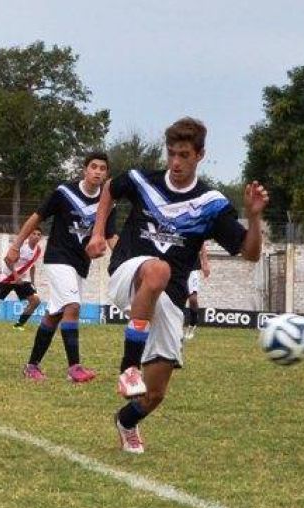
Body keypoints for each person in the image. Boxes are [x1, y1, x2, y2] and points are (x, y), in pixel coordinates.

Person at [86, 117, 269, 454]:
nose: (175, 162)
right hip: (131, 272)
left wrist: (254, 218)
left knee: (154, 393)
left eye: (184, 155)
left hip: (169, 300)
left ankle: (126, 422)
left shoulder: (211, 204)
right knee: (158, 270)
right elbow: (110, 188)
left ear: (200, 155)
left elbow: (251, 253)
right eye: (171, 153)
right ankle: (128, 367)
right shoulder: (144, 181)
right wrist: (98, 232)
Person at [6, 151, 117, 384]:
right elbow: (37, 217)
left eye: (102, 168)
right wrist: (16, 245)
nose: (97, 171)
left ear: (107, 174)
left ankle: (31, 366)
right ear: (85, 170)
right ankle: (74, 367)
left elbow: (111, 236)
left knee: (54, 315)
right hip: (57, 259)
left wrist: (124, 263)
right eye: (93, 167)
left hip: (79, 264)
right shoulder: (64, 193)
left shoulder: (107, 203)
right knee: (73, 306)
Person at [184, 242, 210, 339]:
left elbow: (202, 243)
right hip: (176, 265)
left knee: (193, 299)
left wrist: (205, 263)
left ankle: (192, 324)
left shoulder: (193, 227)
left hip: (192, 267)